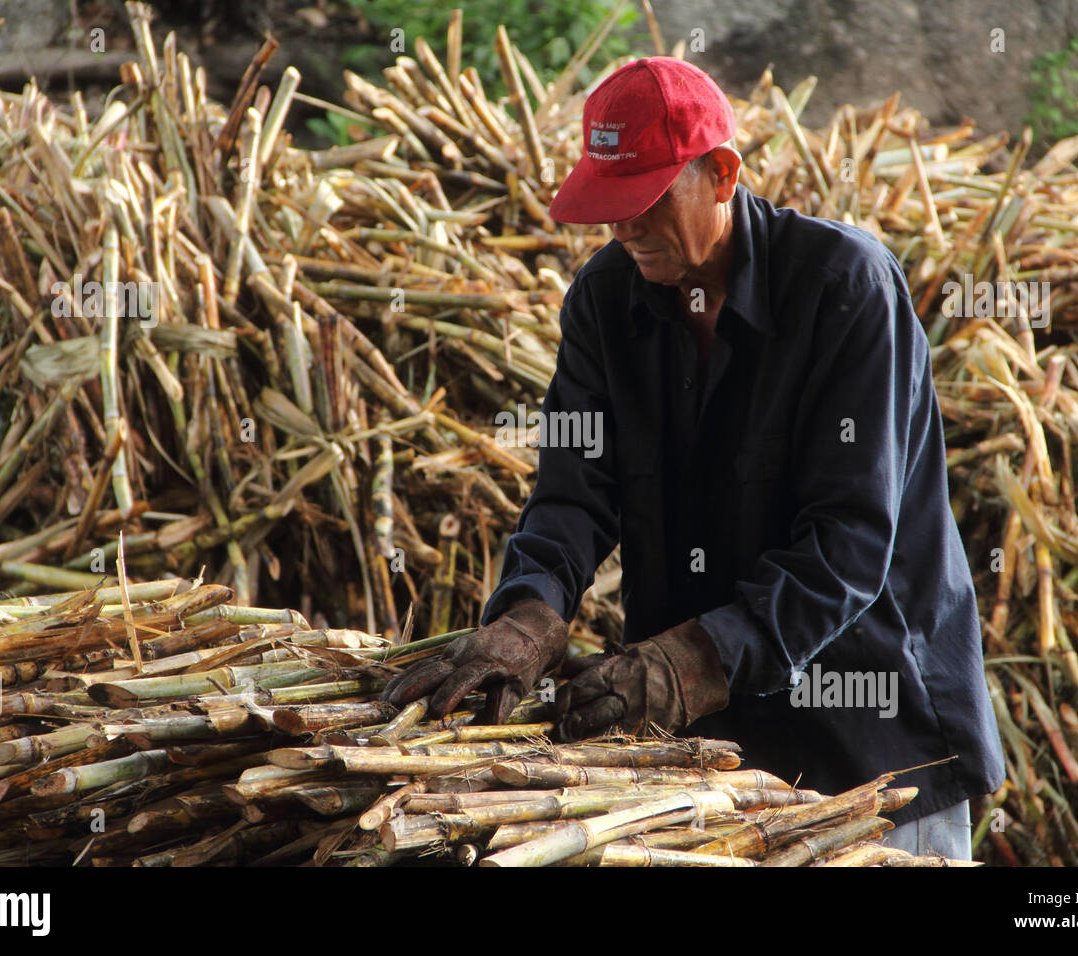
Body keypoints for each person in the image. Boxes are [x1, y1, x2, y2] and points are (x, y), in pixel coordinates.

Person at [384, 57, 1004, 860]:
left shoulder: (845, 289)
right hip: (704, 758)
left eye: (643, 202)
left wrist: (688, 665)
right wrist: (529, 617)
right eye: (609, 208)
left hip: (872, 744)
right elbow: (574, 492)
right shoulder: (606, 302)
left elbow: (848, 541)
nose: (624, 229)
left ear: (721, 174)